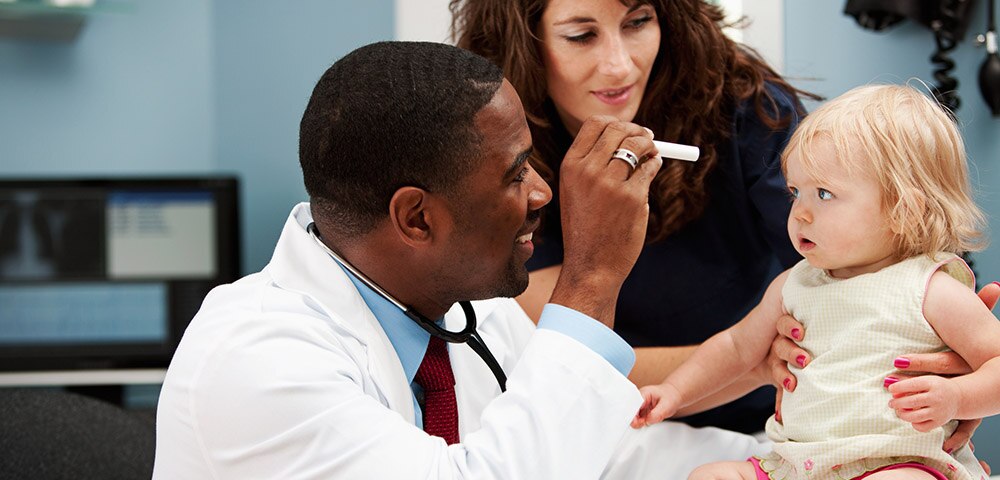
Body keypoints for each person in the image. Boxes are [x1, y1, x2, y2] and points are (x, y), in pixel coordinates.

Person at [153, 40, 782, 479]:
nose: (542, 192)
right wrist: (591, 277)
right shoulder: (257, 361)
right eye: (515, 175)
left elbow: (609, 455)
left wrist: (805, 466)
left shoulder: (470, 316)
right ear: (417, 217)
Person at [449, 0, 822, 433]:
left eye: (638, 22)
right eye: (581, 36)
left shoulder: (744, 105)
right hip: (617, 423)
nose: (621, 67)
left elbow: (846, 270)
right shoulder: (499, 159)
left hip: (781, 408)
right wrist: (749, 357)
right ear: (522, 43)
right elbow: (565, 362)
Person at [631, 84, 1000, 480]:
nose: (800, 213)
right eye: (795, 192)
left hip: (894, 462)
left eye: (824, 193)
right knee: (710, 475)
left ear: (903, 209)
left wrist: (957, 397)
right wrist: (673, 391)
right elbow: (737, 347)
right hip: (794, 466)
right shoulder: (795, 284)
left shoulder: (930, 289)